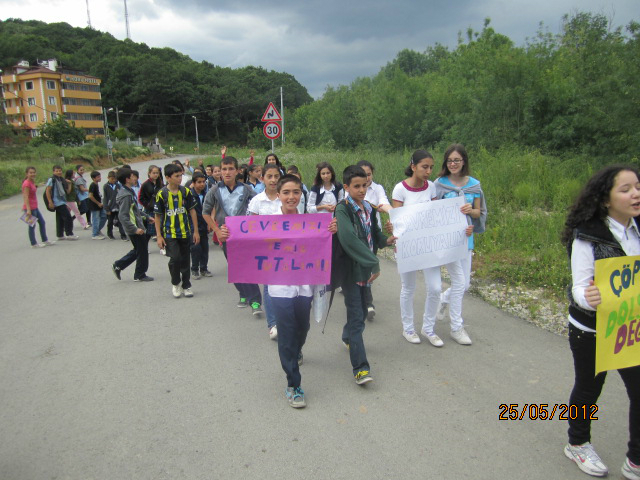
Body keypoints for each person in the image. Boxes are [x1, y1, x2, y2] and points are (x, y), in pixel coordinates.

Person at [561, 165, 640, 479]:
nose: (635, 194)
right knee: (589, 388)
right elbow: (579, 287)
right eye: (626, 189)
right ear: (606, 199)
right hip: (591, 329)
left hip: (629, 327)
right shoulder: (588, 236)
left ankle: (635, 459)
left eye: (637, 186)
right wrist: (588, 298)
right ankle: (577, 443)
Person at [264, 174, 337, 408]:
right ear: (278, 195)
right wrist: (228, 235)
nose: (291, 197)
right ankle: (293, 384)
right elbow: (245, 241)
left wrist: (331, 232)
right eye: (286, 192)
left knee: (302, 328)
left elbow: (323, 247)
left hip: (304, 286)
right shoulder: (267, 222)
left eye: (296, 192)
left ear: (301, 195)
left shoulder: (312, 222)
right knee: (286, 334)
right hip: (279, 288)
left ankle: (297, 351)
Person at [391, 150, 471, 346]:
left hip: (428, 247)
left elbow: (437, 216)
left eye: (431, 167)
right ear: (413, 167)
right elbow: (397, 219)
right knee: (408, 288)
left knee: (435, 287)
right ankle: (408, 328)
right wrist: (395, 236)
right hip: (409, 246)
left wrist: (461, 227)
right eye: (424, 167)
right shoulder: (400, 189)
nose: (428, 171)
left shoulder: (432, 187)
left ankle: (428, 328)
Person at [336, 165, 395, 385]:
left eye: (365, 185)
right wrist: (373, 263)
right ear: (346, 187)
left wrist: (386, 239)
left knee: (359, 313)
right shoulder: (342, 209)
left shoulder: (369, 208)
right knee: (356, 318)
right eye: (356, 186)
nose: (362, 190)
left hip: (365, 271)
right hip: (351, 271)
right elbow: (349, 238)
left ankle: (346, 337)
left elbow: (374, 234)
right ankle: (360, 368)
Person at [202, 156, 262, 314]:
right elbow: (205, 212)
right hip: (227, 235)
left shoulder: (247, 189)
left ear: (237, 171)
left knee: (246, 266)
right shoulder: (215, 190)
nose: (227, 172)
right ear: (220, 171)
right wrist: (217, 230)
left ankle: (255, 301)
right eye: (224, 169)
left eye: (230, 169)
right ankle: (243, 292)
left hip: (245, 235)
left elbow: (259, 206)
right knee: (235, 267)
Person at [434, 144, 486, 323]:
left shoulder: (474, 185)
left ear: (464, 161)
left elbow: (479, 212)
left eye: (456, 160)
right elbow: (433, 212)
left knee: (465, 285)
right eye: (449, 160)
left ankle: (443, 299)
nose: (453, 164)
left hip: (466, 237)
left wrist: (470, 210)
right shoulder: (439, 184)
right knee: (459, 282)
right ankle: (457, 324)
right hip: (448, 240)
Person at [247, 164, 283, 339]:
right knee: (269, 287)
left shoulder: (286, 198)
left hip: (286, 250)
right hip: (266, 251)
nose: (273, 180)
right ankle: (273, 324)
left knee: (285, 286)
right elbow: (249, 227)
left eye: (276, 176)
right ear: (262, 178)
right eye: (269, 176)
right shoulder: (257, 201)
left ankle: (285, 320)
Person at [155, 163, 200, 298]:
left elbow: (192, 211)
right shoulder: (162, 194)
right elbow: (157, 216)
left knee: (186, 259)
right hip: (170, 233)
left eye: (180, 175)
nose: (180, 178)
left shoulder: (185, 192)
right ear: (168, 178)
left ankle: (186, 285)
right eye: (176, 176)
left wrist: (196, 231)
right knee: (175, 258)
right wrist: (159, 236)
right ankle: (176, 283)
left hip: (185, 232)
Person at [354, 159, 392, 320]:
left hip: (373, 234)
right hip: (356, 235)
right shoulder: (352, 188)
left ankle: (365, 299)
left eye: (368, 174)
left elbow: (384, 204)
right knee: (361, 266)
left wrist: (394, 213)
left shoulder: (377, 189)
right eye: (363, 175)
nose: (366, 178)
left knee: (369, 266)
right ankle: (366, 301)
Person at [112, 168, 154, 282]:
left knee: (138, 250)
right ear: (127, 179)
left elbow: (135, 210)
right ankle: (139, 274)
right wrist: (135, 229)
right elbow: (123, 215)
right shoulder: (126, 195)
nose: (135, 178)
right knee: (142, 251)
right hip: (134, 228)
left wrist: (147, 217)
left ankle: (118, 265)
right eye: (132, 176)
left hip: (136, 226)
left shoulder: (128, 191)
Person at [189, 172, 213, 279]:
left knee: (205, 247)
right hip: (193, 226)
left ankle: (203, 268)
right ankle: (194, 269)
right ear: (193, 183)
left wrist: (210, 222)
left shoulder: (207, 194)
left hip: (204, 224)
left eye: (203, 182)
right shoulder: (189, 195)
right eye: (199, 182)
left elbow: (212, 208)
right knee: (195, 248)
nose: (201, 184)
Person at [22, 166, 53, 248]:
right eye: (30, 173)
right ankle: (34, 243)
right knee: (32, 225)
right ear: (27, 174)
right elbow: (25, 196)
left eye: (34, 172)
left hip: (35, 207)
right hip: (30, 208)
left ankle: (45, 240)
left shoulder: (31, 182)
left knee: (42, 222)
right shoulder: (26, 183)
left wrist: (38, 185)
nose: (32, 174)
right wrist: (28, 210)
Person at [46, 165, 78, 241]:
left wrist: (69, 184)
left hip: (62, 201)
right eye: (56, 171)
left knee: (60, 218)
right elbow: (48, 190)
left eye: (60, 171)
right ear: (53, 172)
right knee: (68, 217)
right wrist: (50, 202)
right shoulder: (52, 179)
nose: (58, 172)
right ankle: (69, 234)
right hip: (57, 202)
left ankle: (60, 235)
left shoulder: (61, 180)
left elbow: (67, 192)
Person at [103, 171, 126, 240]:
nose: (113, 180)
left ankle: (123, 235)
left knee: (120, 221)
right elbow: (105, 198)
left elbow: (121, 195)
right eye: (112, 179)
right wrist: (107, 209)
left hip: (118, 207)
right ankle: (110, 234)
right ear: (108, 178)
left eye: (115, 179)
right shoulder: (106, 186)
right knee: (110, 222)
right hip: (110, 207)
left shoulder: (118, 186)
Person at [88, 170, 108, 240]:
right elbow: (90, 196)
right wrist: (98, 203)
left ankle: (97, 230)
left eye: (100, 176)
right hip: (94, 205)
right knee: (96, 219)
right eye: (98, 177)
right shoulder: (93, 185)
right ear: (93, 178)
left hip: (99, 204)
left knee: (104, 215)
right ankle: (94, 234)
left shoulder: (96, 184)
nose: (100, 178)